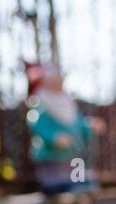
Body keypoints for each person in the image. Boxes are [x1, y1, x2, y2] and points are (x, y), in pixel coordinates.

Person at [25, 62, 96, 194]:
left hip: (73, 152)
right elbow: (37, 126)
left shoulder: (69, 106)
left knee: (78, 167)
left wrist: (89, 126)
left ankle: (79, 184)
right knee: (57, 178)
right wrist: (53, 138)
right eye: (52, 83)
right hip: (51, 156)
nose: (58, 87)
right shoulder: (42, 107)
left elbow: (79, 125)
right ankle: (58, 187)